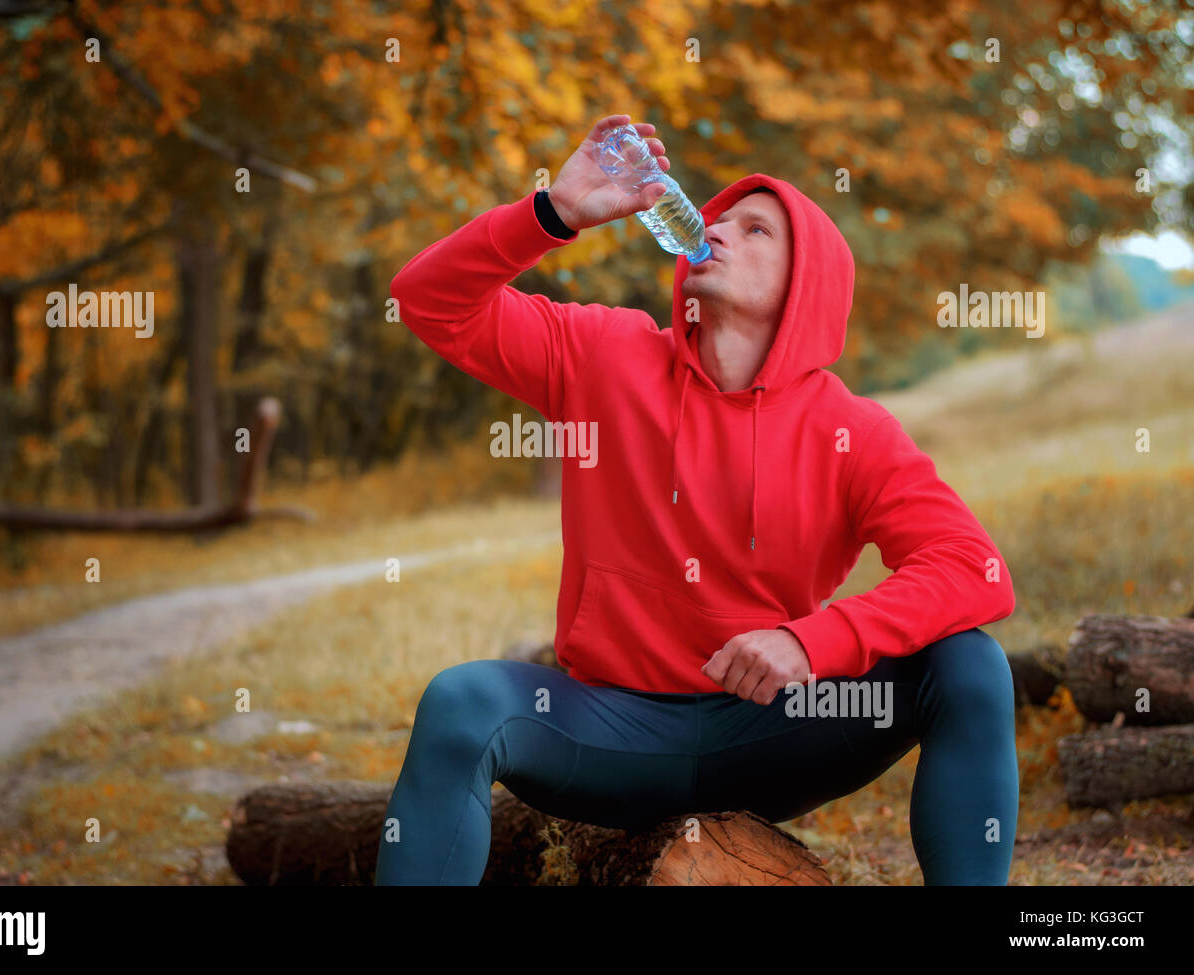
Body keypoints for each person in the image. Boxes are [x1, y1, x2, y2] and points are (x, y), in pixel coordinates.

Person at [376, 113, 1018, 885]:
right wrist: (554, 213)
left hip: (777, 734)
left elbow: (973, 568)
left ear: (806, 283)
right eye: (716, 218)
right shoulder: (604, 355)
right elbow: (428, 301)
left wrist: (815, 642)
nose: (718, 230)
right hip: (608, 730)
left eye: (757, 231)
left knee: (969, 664)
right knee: (461, 698)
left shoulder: (853, 429)